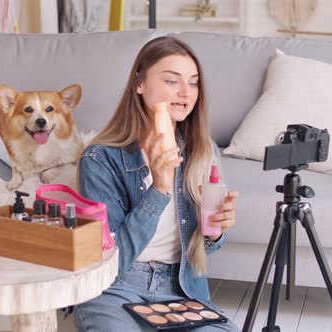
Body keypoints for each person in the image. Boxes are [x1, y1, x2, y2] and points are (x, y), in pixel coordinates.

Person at [75, 36, 240, 331]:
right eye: (172, 81)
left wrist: (215, 232)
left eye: (193, 82)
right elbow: (108, 258)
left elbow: (203, 250)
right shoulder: (100, 159)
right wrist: (159, 190)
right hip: (115, 287)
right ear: (139, 83)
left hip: (181, 290)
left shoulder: (203, 151)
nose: (185, 93)